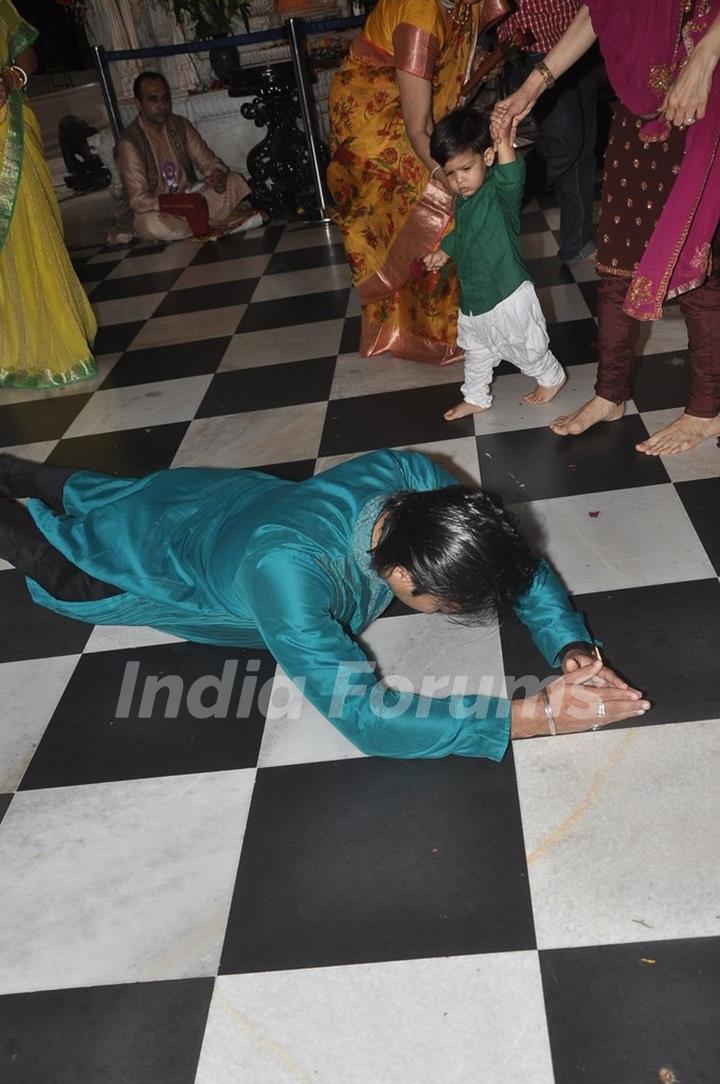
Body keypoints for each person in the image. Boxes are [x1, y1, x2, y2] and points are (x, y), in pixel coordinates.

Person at [0, 450, 649, 759]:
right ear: (399, 573)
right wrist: (535, 716)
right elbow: (367, 718)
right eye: (450, 603)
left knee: (82, 486)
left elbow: (516, 567)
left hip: (208, 495)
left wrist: (569, 650)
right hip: (154, 559)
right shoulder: (289, 577)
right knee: (57, 560)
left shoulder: (417, 482)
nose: (457, 610)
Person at [493, 0, 720, 456]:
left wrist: (706, 55)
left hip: (706, 80)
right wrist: (533, 87)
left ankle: (706, 408)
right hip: (642, 96)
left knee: (696, 260)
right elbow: (600, 11)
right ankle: (610, 393)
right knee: (617, 254)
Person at [327, 0, 512, 365]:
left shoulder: (464, 4)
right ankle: (434, 335)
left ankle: (449, 325)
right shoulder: (420, 15)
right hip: (372, 117)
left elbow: (445, 67)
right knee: (440, 203)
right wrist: (451, 181)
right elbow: (418, 128)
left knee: (451, 200)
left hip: (406, 112)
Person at [423, 107, 566, 419]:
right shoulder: (464, 199)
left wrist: (502, 142)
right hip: (475, 297)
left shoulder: (500, 193)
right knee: (476, 350)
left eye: (466, 169)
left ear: (487, 158)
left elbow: (513, 175)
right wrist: (445, 251)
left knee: (524, 347)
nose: (459, 181)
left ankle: (550, 376)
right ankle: (475, 395)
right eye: (450, 173)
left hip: (507, 291)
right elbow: (464, 233)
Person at [0, 0, 96, 389]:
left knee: (29, 232)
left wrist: (11, 78)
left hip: (8, 132)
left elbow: (27, 53)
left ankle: (47, 346)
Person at [497, 0, 602, 264]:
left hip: (582, 39)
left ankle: (577, 242)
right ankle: (491, 209)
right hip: (531, 44)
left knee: (583, 147)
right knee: (564, 144)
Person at [116, 71, 263, 243]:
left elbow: (208, 161)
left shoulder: (180, 125)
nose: (162, 105)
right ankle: (218, 224)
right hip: (159, 209)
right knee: (152, 225)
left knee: (234, 181)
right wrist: (177, 204)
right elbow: (138, 200)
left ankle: (202, 224)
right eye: (153, 99)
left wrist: (216, 174)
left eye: (165, 98)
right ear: (138, 104)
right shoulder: (130, 143)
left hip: (193, 200)